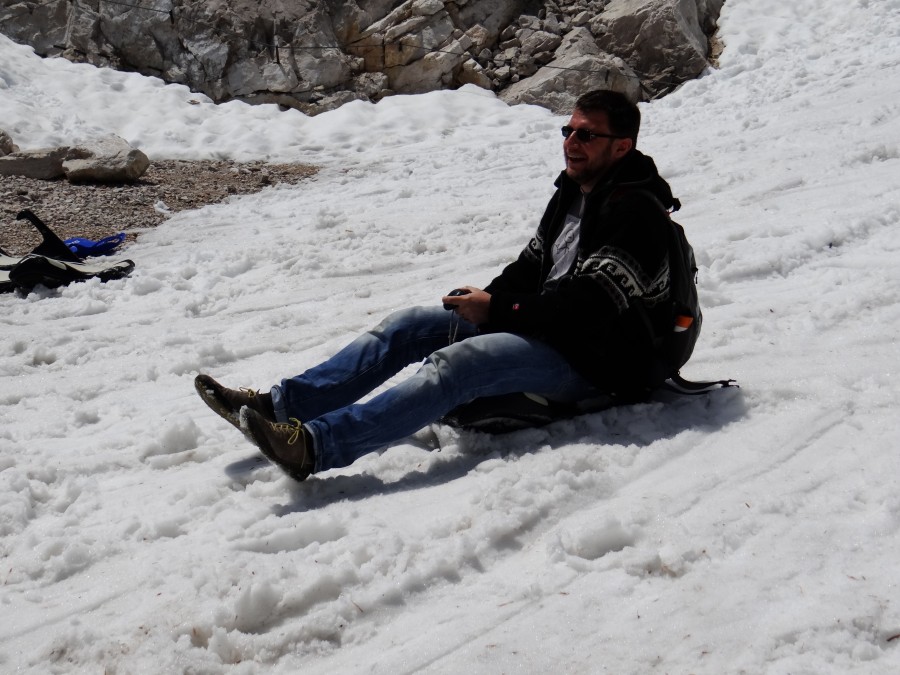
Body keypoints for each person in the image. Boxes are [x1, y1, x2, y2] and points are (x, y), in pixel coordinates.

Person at [195, 89, 680, 481]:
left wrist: (499, 311)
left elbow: (587, 309)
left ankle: (315, 447)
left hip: (598, 362)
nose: (571, 142)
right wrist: (481, 302)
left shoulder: (635, 213)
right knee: (410, 326)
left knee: (458, 366)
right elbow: (531, 266)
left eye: (587, 136)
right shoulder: (575, 190)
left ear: (622, 147)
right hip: (555, 331)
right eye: (568, 130)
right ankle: (277, 406)